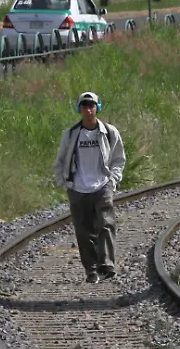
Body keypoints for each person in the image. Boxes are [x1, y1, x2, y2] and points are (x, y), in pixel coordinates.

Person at [53, 91, 126, 283]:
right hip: (78, 188)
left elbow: (119, 159)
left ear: (98, 108)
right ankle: (91, 270)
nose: (88, 109)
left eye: (91, 105)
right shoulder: (70, 134)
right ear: (80, 109)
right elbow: (60, 160)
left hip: (102, 185)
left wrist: (112, 180)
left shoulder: (109, 132)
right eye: (84, 106)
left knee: (106, 224)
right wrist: (65, 183)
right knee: (84, 232)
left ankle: (107, 264)